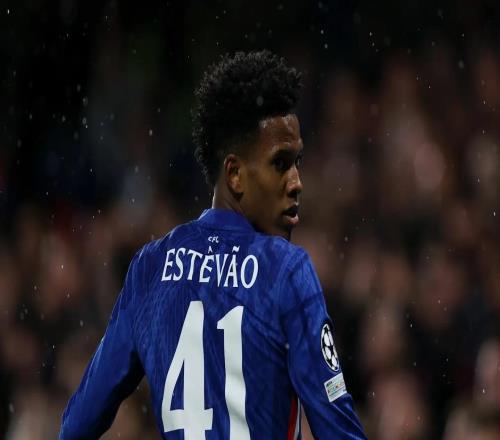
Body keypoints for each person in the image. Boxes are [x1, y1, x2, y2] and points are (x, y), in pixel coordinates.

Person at [59, 50, 367, 439]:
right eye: (280, 163)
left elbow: (76, 425)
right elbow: (337, 429)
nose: (296, 182)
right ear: (234, 174)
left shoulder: (151, 267)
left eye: (297, 162)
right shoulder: (286, 270)